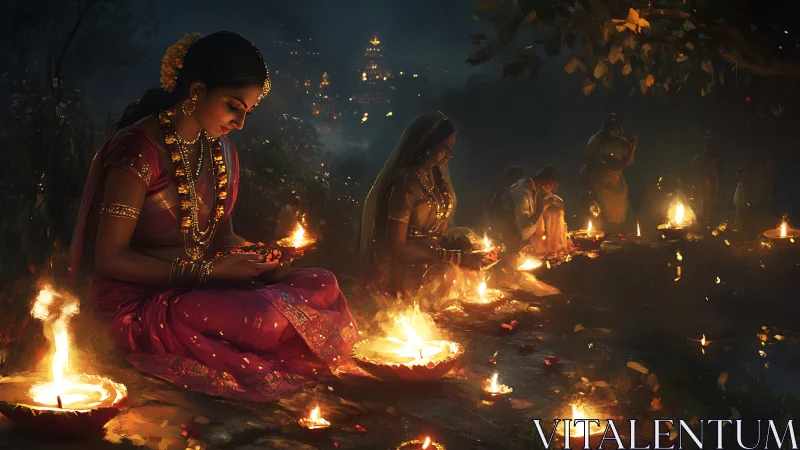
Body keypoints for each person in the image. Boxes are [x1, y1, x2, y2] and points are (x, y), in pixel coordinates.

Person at [69, 32, 358, 402]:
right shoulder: (140, 149)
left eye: (247, 113)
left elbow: (223, 241)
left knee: (322, 282)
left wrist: (260, 259)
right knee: (263, 319)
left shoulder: (221, 151)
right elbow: (109, 258)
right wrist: (206, 273)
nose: (239, 123)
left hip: (201, 286)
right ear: (196, 90)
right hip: (140, 301)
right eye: (233, 107)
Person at [359, 112, 491, 302]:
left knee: (473, 270)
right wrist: (455, 257)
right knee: (447, 274)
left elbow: (439, 230)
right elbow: (397, 247)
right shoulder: (405, 184)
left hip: (432, 258)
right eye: (446, 147)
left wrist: (457, 245)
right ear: (428, 145)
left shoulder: (436, 179)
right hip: (403, 265)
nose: (450, 155)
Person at [578, 114, 637, 231]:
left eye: (615, 128)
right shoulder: (597, 141)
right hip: (600, 179)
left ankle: (617, 230)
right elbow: (587, 160)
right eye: (610, 128)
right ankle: (600, 230)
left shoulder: (622, 143)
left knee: (620, 203)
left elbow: (628, 162)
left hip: (616, 179)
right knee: (600, 206)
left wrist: (633, 148)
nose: (612, 131)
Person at [499, 165, 569, 255]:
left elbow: (555, 200)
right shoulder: (523, 194)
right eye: (552, 186)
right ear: (548, 182)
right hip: (511, 246)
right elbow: (524, 232)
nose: (550, 190)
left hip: (518, 243)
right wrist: (540, 210)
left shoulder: (532, 189)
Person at [486, 165, 525, 243]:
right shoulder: (500, 195)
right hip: (502, 234)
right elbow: (491, 213)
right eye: (510, 178)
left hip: (513, 235)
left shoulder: (520, 195)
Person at [691, 134, 720, 221]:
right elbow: (694, 165)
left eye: (708, 143)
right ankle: (703, 217)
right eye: (705, 143)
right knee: (702, 198)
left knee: (710, 198)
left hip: (710, 180)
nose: (706, 145)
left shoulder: (712, 156)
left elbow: (714, 169)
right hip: (703, 180)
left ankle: (709, 217)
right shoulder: (700, 156)